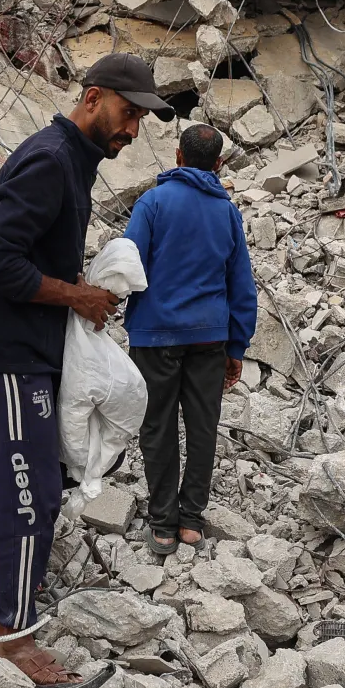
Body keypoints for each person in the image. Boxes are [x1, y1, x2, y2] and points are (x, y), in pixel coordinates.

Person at [0, 52, 172, 688]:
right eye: (127, 113)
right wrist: (77, 296)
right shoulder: (49, 160)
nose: (132, 130)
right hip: (11, 353)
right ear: (92, 98)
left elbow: (31, 254)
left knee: (61, 464)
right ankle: (14, 636)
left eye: (140, 120)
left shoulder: (75, 161)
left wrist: (77, 290)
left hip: (40, 348)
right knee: (32, 491)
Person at [121, 122, 257, 555]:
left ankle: (163, 525)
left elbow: (127, 264)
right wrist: (236, 346)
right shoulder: (227, 212)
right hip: (209, 337)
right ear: (218, 165)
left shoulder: (153, 202)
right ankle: (192, 521)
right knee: (202, 427)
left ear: (178, 156)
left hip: (154, 336)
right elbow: (242, 285)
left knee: (157, 426)